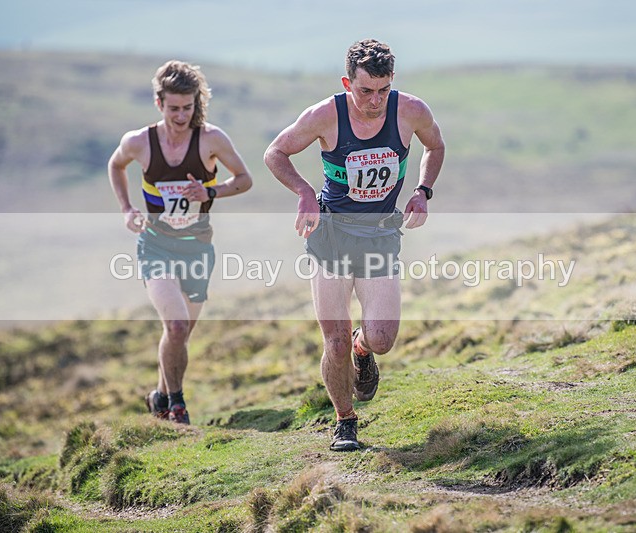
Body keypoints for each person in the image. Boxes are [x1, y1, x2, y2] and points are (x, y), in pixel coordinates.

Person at [264, 39, 444, 450]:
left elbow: (435, 145)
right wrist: (304, 192)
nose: (375, 101)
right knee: (336, 339)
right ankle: (345, 421)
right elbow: (275, 153)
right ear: (348, 83)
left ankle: (365, 351)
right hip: (331, 234)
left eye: (383, 90)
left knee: (381, 338)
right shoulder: (324, 115)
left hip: (379, 234)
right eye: (365, 91)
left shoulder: (411, 111)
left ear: (392, 81)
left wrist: (422, 191)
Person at [108, 60, 252, 424]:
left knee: (181, 333)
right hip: (156, 245)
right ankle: (177, 405)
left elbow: (244, 179)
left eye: (188, 107)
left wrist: (209, 191)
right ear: (159, 103)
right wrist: (127, 209)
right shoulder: (139, 142)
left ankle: (159, 396)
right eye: (173, 108)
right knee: (174, 326)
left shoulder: (211, 139)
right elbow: (116, 165)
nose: (181, 116)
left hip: (197, 247)